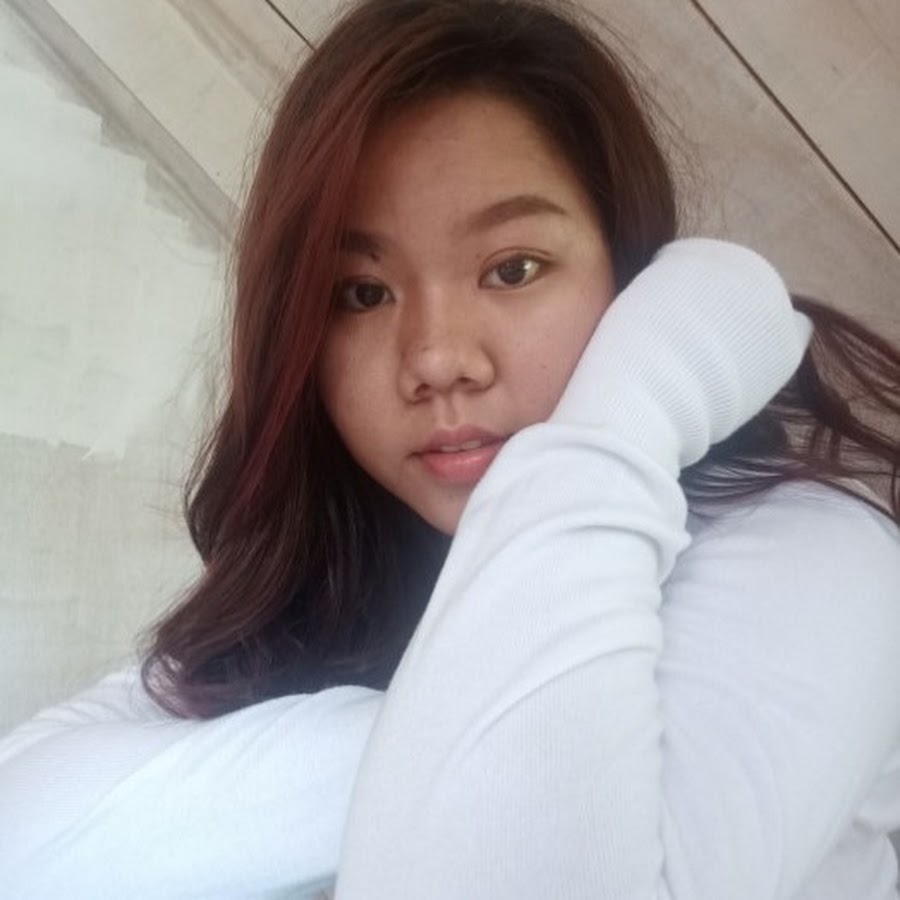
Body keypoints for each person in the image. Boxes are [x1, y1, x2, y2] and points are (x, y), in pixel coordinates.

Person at [2, 0, 899, 898]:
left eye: (513, 269)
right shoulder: (334, 583)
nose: (435, 360)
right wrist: (443, 743)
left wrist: (619, 424)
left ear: (629, 276)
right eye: (362, 293)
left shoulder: (817, 555)